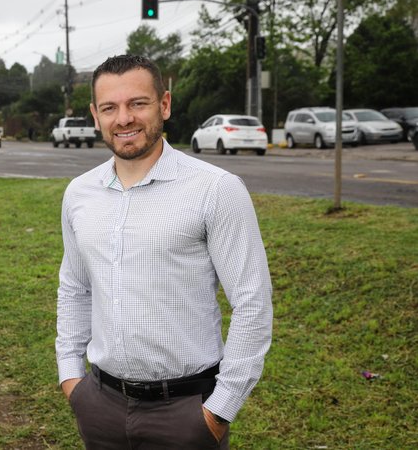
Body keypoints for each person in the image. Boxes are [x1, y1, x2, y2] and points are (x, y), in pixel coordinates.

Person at [55, 54, 273, 449]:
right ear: (95, 114)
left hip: (187, 412)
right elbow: (74, 288)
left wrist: (218, 411)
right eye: (110, 108)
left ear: (165, 105)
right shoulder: (78, 194)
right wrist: (72, 378)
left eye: (138, 103)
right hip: (99, 406)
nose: (124, 119)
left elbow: (253, 303)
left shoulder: (216, 190)